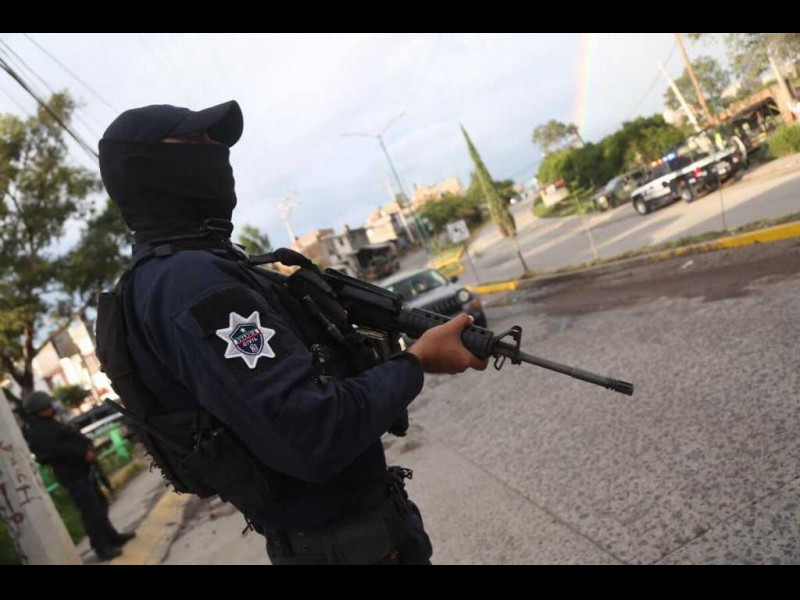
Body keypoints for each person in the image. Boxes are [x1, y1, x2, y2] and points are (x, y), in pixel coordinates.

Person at [95, 100, 486, 565]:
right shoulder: (192, 283)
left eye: (214, 141)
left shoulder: (183, 273)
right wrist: (417, 362)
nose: (216, 151)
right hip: (346, 550)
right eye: (196, 141)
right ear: (146, 169)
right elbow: (312, 433)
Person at [21, 391, 136, 562]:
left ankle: (111, 536)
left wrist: (86, 447)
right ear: (39, 408)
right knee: (91, 511)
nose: (51, 407)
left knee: (99, 504)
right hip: (72, 474)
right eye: (46, 405)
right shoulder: (39, 429)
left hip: (81, 469)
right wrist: (82, 452)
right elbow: (55, 451)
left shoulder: (48, 423)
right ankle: (101, 547)